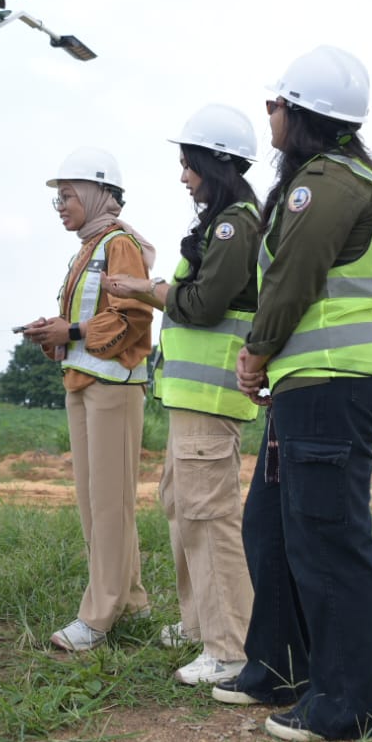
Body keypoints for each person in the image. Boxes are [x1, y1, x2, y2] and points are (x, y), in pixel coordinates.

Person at [212, 46, 372, 742]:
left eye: (275, 102)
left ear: (301, 113)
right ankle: (279, 667)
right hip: (310, 385)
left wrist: (255, 354)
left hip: (334, 382)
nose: (268, 111)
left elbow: (292, 278)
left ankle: (346, 705)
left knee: (328, 542)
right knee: (271, 529)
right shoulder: (320, 179)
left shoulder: (326, 182)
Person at [104, 104, 262, 688]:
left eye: (188, 165)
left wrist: (146, 288)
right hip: (193, 399)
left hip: (211, 399)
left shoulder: (233, 225)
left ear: (214, 164)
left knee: (208, 515)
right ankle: (201, 624)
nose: (182, 177)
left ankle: (231, 649)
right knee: (181, 506)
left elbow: (201, 304)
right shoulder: (224, 222)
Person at [21, 147, 157, 652]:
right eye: (57, 198)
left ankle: (98, 617)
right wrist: (59, 336)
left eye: (68, 195)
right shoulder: (88, 246)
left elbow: (133, 318)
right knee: (97, 503)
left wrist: (72, 328)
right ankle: (132, 601)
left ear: (99, 193)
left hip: (113, 389)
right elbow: (93, 322)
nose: (60, 205)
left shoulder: (117, 244)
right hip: (84, 383)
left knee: (109, 504)